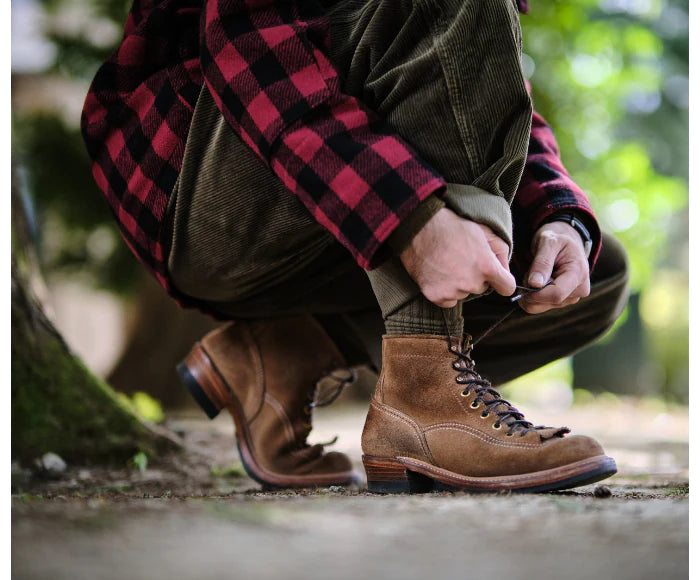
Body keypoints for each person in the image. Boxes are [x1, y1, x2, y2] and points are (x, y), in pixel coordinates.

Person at [82, 0, 629, 493]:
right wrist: (410, 219)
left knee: (595, 274)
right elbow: (249, 45)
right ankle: (422, 399)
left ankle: (281, 354)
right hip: (198, 192)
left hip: (322, 201)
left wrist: (560, 217)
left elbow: (473, 96)